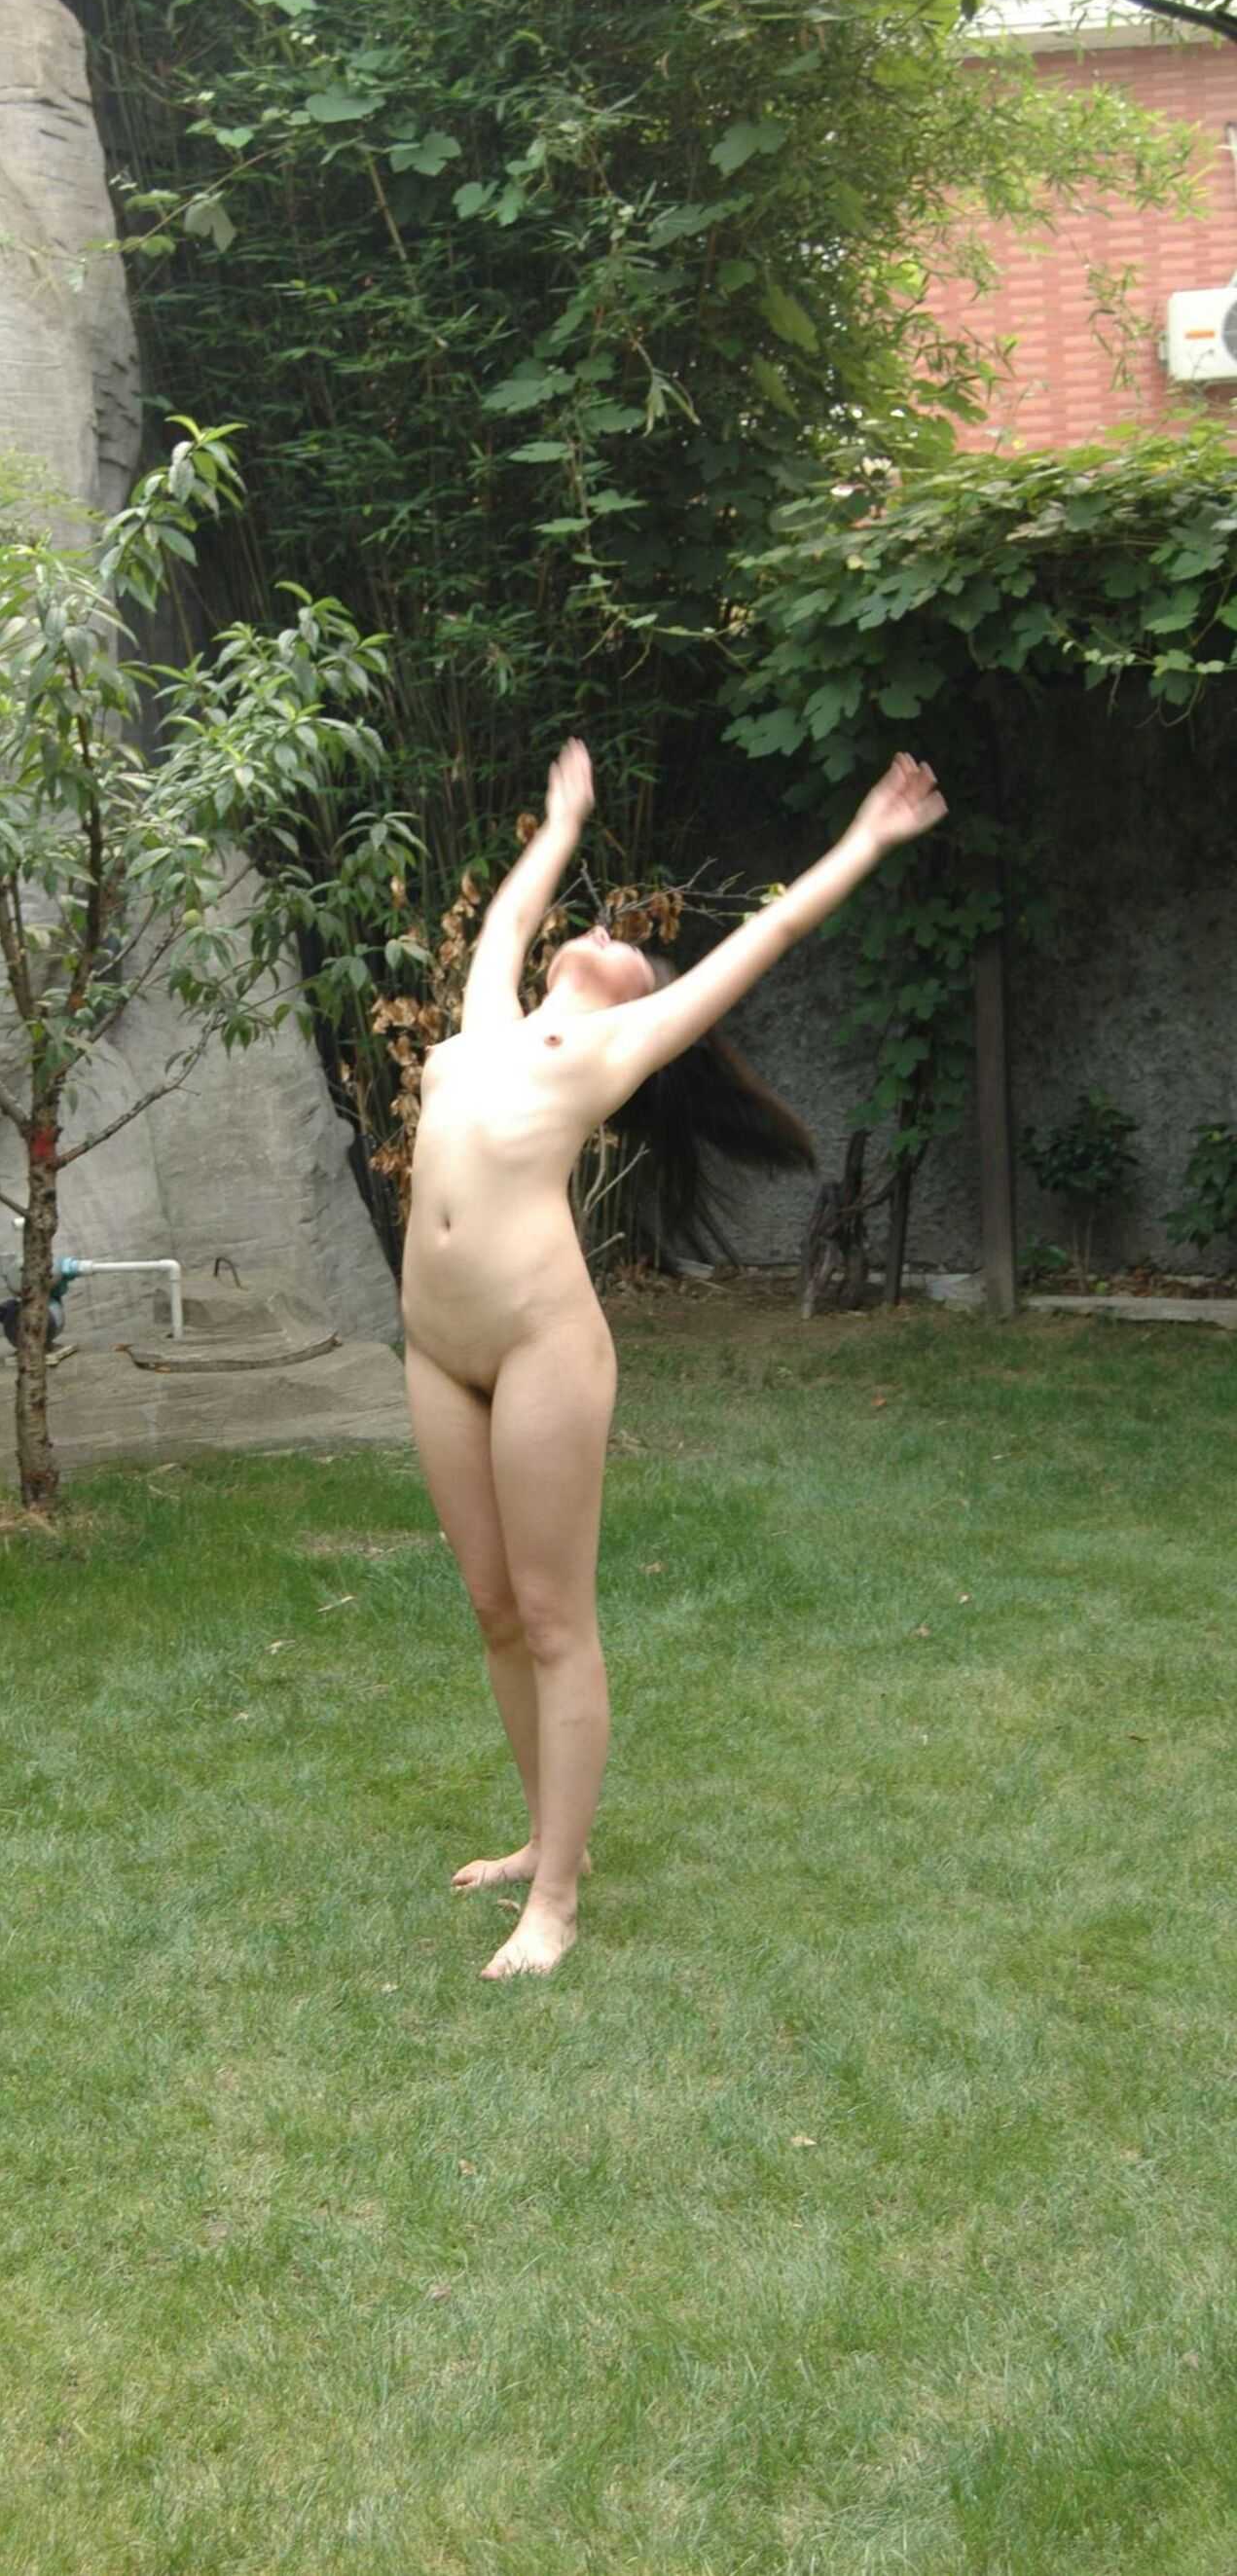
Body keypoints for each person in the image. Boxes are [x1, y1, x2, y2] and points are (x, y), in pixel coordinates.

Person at [402, 739, 947, 1978]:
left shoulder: (615, 1044)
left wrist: (866, 839)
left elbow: (771, 934)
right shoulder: (488, 1020)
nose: (604, 930)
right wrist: (561, 820)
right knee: (492, 1607)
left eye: (634, 948)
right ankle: (549, 1839)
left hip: (539, 1345)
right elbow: (510, 916)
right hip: (435, 1347)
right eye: (593, 925)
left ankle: (556, 1903)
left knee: (553, 1615)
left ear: (642, 993)